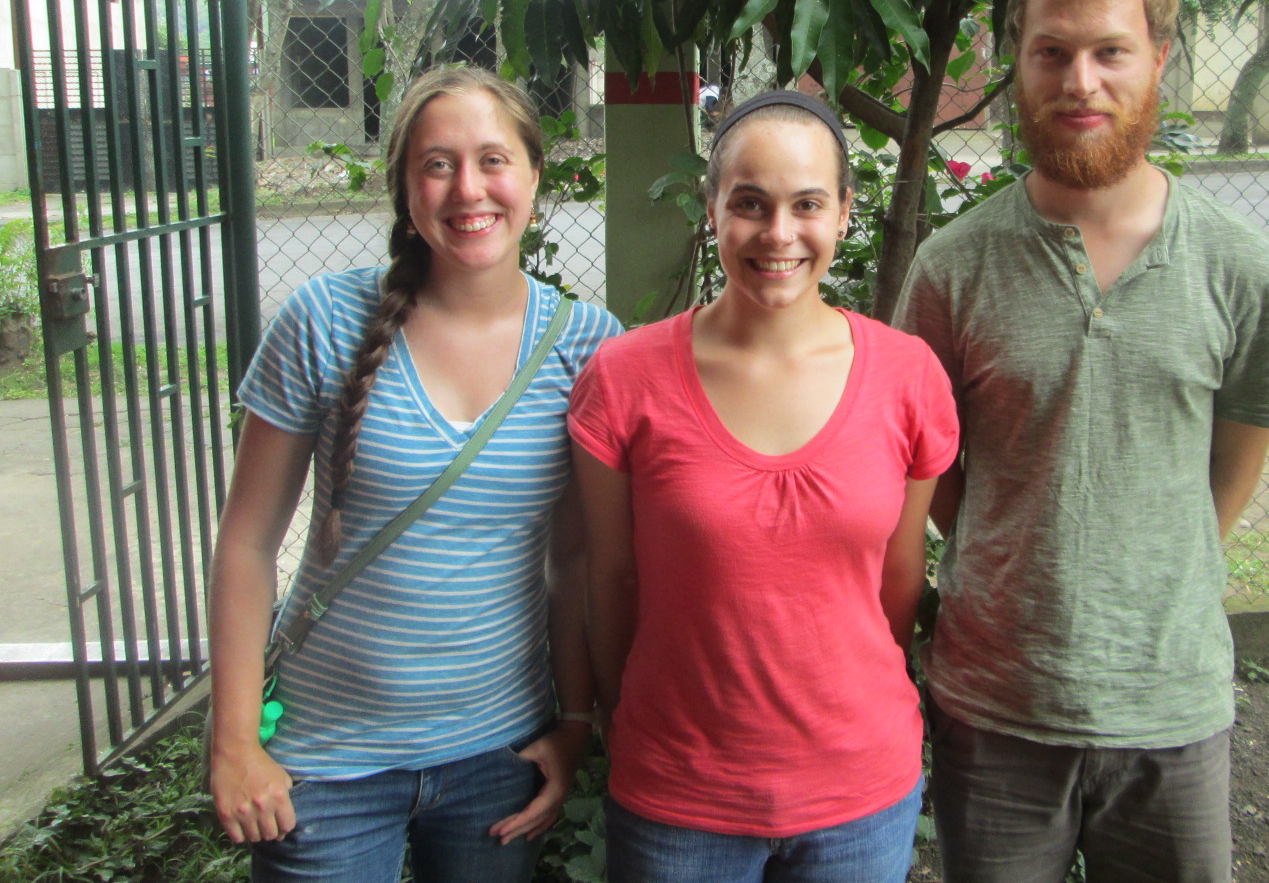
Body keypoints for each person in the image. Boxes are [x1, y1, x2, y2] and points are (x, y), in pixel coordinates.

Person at [893, 0, 1269, 883]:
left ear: (1158, 60)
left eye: (1109, 52)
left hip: (1172, 705)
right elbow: (937, 471)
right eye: (1053, 52)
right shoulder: (953, 270)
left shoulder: (1234, 265)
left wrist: (1162, 562)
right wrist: (1011, 547)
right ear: (1019, 63)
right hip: (996, 708)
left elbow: (1237, 453)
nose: (1080, 81)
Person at [207, 65, 621, 881]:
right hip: (322, 765)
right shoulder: (324, 319)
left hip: (498, 758)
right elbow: (247, 544)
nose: (469, 188)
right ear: (405, 186)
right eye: (437, 164)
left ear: (537, 174)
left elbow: (575, 561)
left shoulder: (587, 344)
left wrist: (575, 722)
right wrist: (234, 742)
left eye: (494, 160)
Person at [569, 91, 959, 883]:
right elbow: (606, 576)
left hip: (859, 793)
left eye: (807, 204)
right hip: (680, 795)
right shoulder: (624, 377)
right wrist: (624, 716)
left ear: (845, 213)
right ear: (710, 208)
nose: (778, 234)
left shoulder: (907, 376)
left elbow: (898, 576)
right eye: (749, 204)